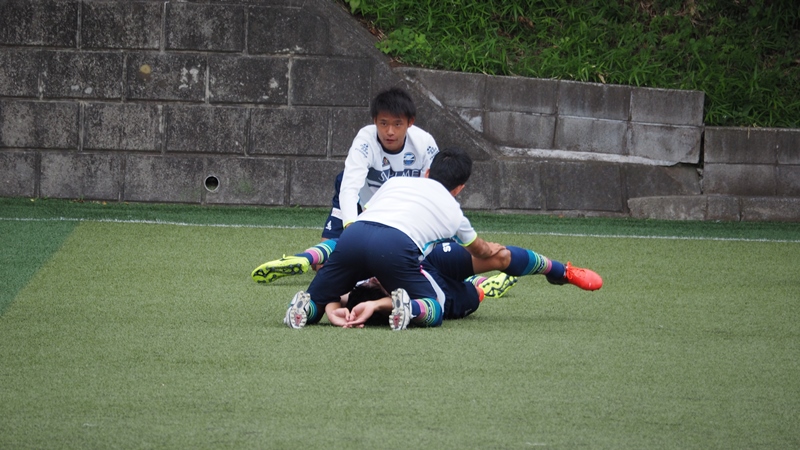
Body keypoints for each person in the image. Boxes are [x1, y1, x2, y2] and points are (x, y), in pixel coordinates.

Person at [283, 148, 602, 330]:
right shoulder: (453, 211)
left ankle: (304, 309)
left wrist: (329, 302)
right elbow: (481, 249)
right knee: (440, 302)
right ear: (460, 188)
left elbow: (368, 218)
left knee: (317, 300)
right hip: (399, 254)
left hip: (361, 239)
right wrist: (486, 247)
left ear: (426, 172)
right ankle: (416, 307)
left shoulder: (395, 183)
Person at [251, 86, 440, 282]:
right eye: (383, 123)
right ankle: (304, 259)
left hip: (397, 210)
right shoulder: (365, 141)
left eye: (397, 124)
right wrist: (351, 226)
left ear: (410, 122)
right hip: (359, 200)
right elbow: (350, 186)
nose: (389, 131)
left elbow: (435, 189)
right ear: (374, 120)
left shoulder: (424, 143)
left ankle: (312, 256)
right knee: (324, 266)